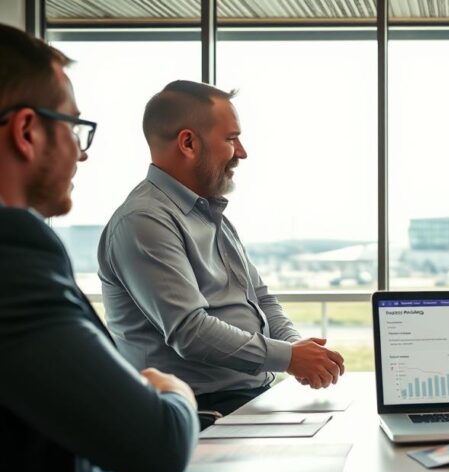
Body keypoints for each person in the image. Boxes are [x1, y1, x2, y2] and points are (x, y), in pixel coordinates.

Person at [0, 24, 198, 472]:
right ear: (26, 132)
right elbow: (160, 443)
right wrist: (172, 389)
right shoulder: (11, 257)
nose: (81, 152)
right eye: (73, 126)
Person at [98, 80, 345, 418]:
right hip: (196, 415)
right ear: (188, 143)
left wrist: (296, 351)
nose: (241, 152)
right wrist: (288, 357)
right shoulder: (144, 221)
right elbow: (190, 331)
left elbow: (261, 300)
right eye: (231, 139)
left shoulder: (211, 216)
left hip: (248, 400)